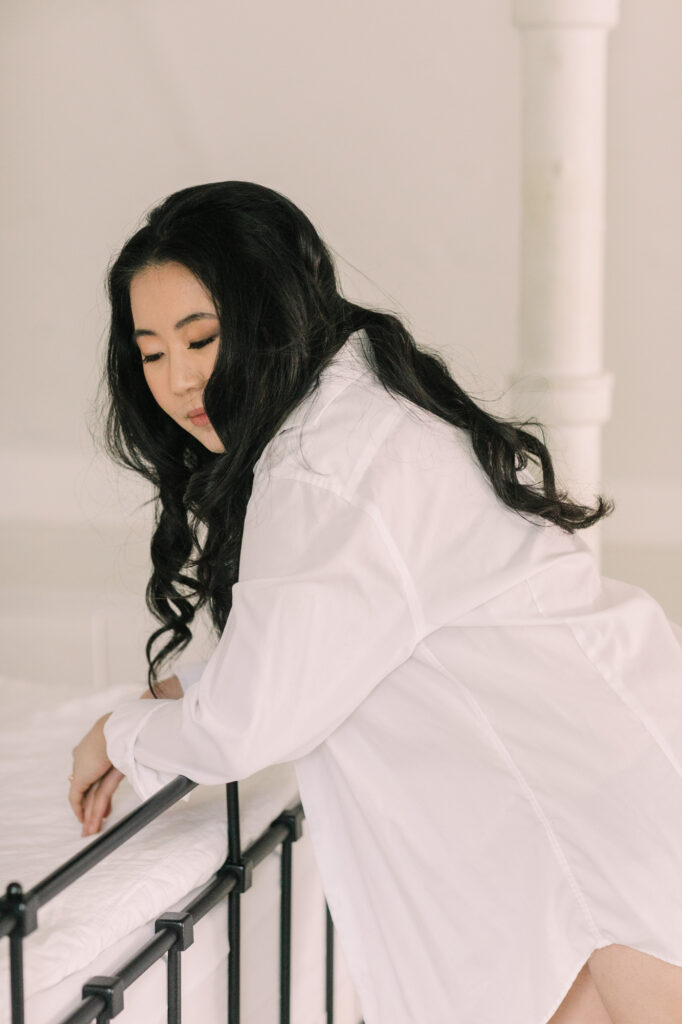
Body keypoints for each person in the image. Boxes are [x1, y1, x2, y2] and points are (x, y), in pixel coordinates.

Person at [68, 181, 682, 1024]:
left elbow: (251, 723)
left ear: (269, 315)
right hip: (589, 787)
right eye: (151, 352)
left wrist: (120, 731)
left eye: (201, 339)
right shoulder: (349, 414)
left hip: (602, 800)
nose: (178, 380)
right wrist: (187, 689)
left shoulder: (324, 464)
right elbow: (333, 637)